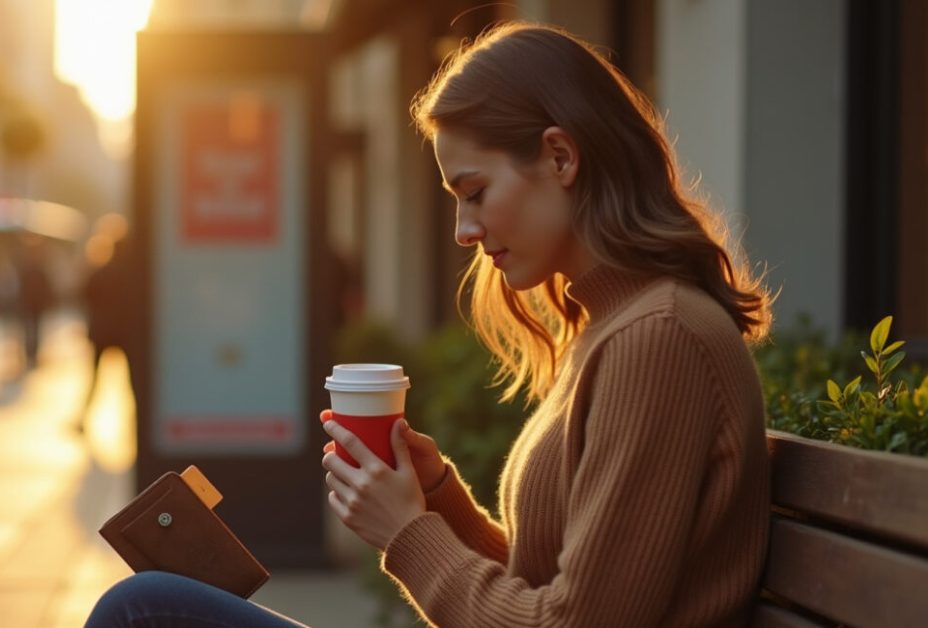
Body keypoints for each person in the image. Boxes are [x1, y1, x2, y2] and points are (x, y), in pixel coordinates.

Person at [84, 22, 774, 628]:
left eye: (475, 192)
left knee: (143, 610)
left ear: (561, 157)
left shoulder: (658, 338)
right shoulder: (617, 326)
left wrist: (407, 532)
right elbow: (552, 584)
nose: (464, 230)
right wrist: (438, 498)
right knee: (150, 602)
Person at [77, 237, 134, 431]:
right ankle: (135, 420)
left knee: (94, 378)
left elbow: (84, 296)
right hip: (124, 333)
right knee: (132, 381)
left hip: (101, 332)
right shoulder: (130, 276)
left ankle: (83, 418)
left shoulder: (100, 272)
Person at [13, 234, 55, 369]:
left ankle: (32, 354)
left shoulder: (36, 267)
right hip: (29, 303)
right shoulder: (28, 267)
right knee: (30, 329)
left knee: (33, 329)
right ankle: (30, 354)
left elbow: (45, 286)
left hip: (34, 303)